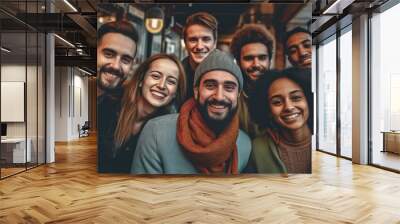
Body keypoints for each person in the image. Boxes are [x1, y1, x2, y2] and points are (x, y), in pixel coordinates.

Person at [131, 49, 251, 174]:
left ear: (238, 95)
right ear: (196, 91)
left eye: (229, 87)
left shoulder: (244, 144)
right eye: (210, 85)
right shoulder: (156, 132)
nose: (219, 96)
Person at [98, 54, 187, 173]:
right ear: (141, 80)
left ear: (175, 92)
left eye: (171, 82)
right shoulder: (107, 105)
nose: (161, 85)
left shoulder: (167, 131)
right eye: (155, 76)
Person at [246, 68, 312, 173]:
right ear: (268, 110)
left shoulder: (328, 143)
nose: (289, 107)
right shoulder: (257, 149)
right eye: (277, 102)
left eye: (296, 98)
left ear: (309, 100)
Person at [230, 24, 274, 139]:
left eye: (262, 58)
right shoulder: (232, 96)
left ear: (270, 60)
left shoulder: (280, 92)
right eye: (249, 58)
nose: (256, 64)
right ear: (238, 62)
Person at [97, 20, 138, 99]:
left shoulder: (124, 107)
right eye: (108, 54)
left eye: (125, 60)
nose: (116, 66)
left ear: (132, 65)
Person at [181, 12, 218, 100]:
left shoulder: (227, 75)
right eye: (193, 40)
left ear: (215, 43)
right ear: (185, 44)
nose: (199, 46)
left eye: (206, 39)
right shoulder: (176, 75)